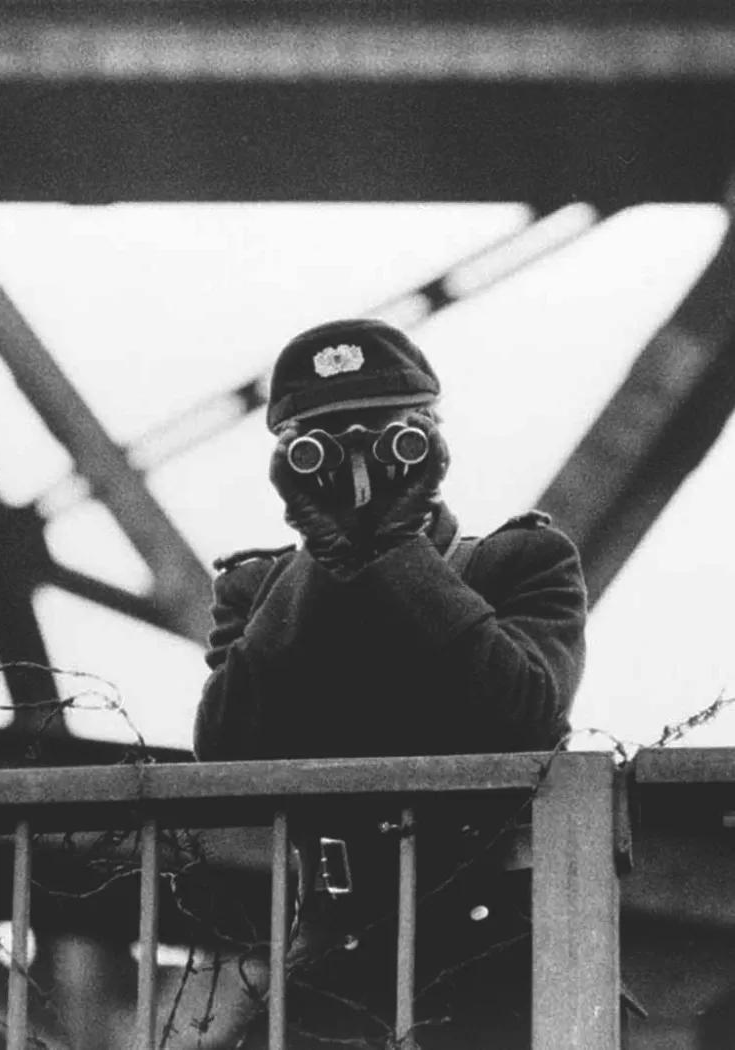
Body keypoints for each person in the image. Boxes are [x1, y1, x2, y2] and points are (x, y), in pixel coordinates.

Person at [193, 317, 588, 1047]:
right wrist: (322, 551)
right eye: (318, 442)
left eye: (386, 433)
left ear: (430, 437)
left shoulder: (521, 562)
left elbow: (525, 713)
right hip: (333, 955)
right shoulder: (257, 590)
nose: (356, 459)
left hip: (492, 951)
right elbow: (223, 745)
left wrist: (401, 549)